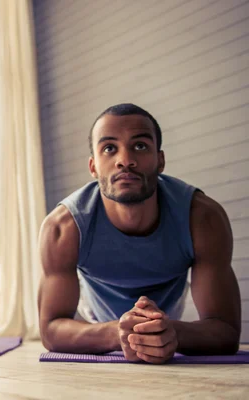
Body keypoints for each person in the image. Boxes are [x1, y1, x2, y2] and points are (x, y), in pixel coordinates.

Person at [37, 103, 241, 364]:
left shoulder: (203, 218)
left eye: (141, 146)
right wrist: (115, 333)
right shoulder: (62, 227)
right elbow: (51, 329)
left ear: (161, 160)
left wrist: (173, 332)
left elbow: (225, 330)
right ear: (93, 167)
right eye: (109, 148)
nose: (125, 160)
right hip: (95, 317)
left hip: (167, 314)